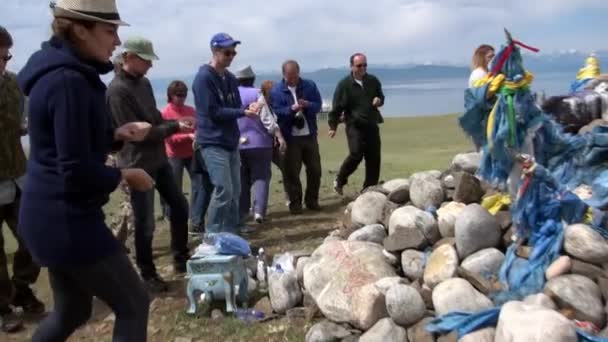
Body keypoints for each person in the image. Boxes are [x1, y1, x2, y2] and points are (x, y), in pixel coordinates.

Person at [16, 0, 152, 340]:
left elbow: (67, 145)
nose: (117, 42)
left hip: (47, 216)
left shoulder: (60, 74)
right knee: (134, 303)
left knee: (72, 310)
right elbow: (75, 170)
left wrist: (115, 135)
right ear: (79, 30)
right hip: (67, 220)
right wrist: (124, 175)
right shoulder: (68, 81)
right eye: (110, 31)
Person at [107, 37, 192, 292]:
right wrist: (175, 126)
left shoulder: (143, 83)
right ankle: (147, 274)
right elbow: (138, 135)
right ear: (129, 57)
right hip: (137, 163)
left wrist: (169, 124)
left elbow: (153, 119)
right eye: (146, 61)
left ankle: (181, 257)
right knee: (144, 223)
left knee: (179, 205)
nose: (150, 66)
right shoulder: (117, 92)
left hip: (158, 159)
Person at [192, 33, 260, 236]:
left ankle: (232, 228)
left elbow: (234, 106)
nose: (231, 56)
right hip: (212, 141)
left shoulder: (230, 78)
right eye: (227, 52)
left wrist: (248, 107)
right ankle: (213, 233)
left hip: (231, 141)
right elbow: (212, 111)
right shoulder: (203, 78)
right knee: (223, 189)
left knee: (235, 191)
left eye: (233, 52)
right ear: (215, 51)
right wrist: (242, 112)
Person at [0, 25, 44, 334]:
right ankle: (3, 309)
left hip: (18, 175)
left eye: (6, 56)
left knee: (34, 238)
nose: (4, 63)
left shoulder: (13, 83)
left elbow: (23, 121)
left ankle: (21, 288)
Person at [270, 60, 323, 214]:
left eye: (295, 75)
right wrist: (291, 109)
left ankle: (312, 201)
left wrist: (307, 105)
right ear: (283, 75)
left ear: (299, 72)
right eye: (289, 76)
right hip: (290, 137)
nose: (292, 79)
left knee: (315, 170)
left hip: (309, 135)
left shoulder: (309, 86)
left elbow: (318, 105)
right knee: (292, 172)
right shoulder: (276, 91)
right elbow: (277, 112)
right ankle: (295, 204)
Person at [329, 53, 385, 195]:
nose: (363, 68)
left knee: (374, 157)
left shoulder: (373, 81)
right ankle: (340, 179)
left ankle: (368, 190)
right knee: (356, 154)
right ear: (352, 66)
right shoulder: (344, 85)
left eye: (365, 65)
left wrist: (379, 100)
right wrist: (333, 126)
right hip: (354, 125)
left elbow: (381, 96)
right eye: (359, 65)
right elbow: (336, 107)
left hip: (371, 123)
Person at [160, 80, 209, 235]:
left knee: (199, 185)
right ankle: (171, 216)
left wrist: (198, 136)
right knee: (174, 188)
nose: (182, 98)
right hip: (174, 155)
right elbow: (169, 139)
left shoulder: (191, 110)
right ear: (171, 96)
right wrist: (187, 136)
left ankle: (196, 219)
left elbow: (200, 127)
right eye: (179, 95)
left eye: (184, 95)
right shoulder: (165, 113)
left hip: (192, 153)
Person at [238, 76, 287, 223]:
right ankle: (259, 211)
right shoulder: (256, 94)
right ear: (252, 79)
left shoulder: (231, 94)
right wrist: (279, 136)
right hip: (260, 143)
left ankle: (243, 211)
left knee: (242, 179)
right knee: (261, 178)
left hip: (238, 143)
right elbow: (267, 119)